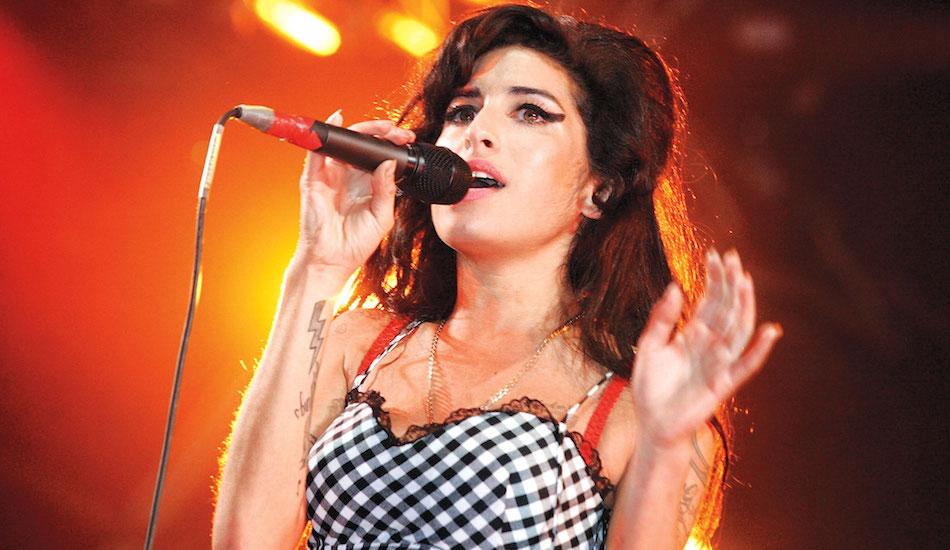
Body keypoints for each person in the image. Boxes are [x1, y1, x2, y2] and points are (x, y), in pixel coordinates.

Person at [213, 4, 781, 549]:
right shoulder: (355, 345)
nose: (476, 132)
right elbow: (244, 543)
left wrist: (665, 445)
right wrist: (317, 266)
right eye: (462, 112)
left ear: (599, 190)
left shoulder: (635, 411)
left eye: (530, 112)